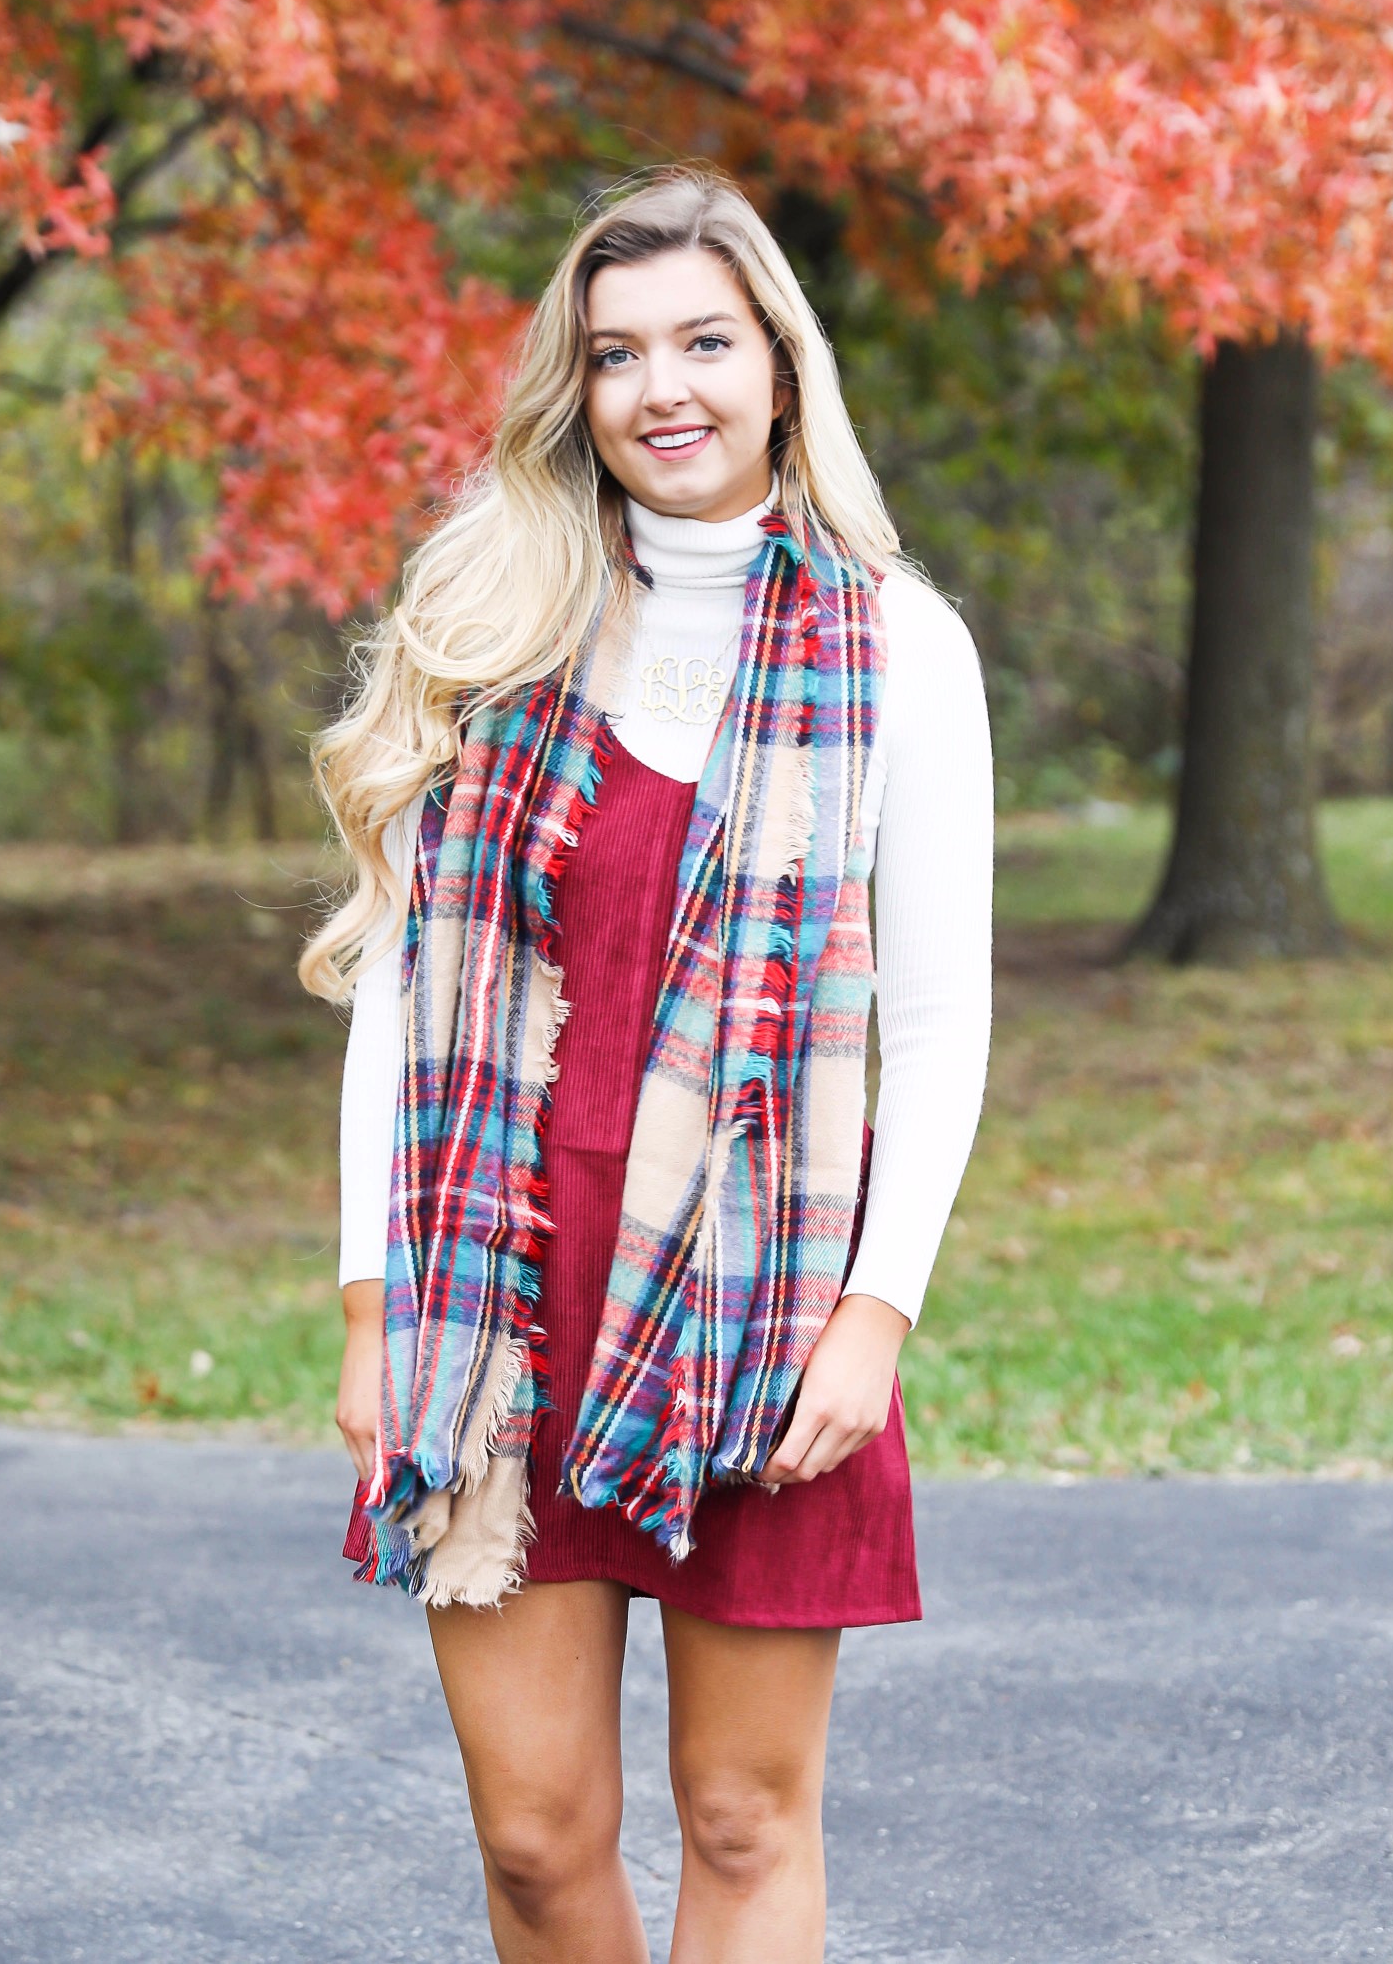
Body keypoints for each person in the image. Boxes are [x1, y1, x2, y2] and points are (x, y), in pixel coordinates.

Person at [300, 167, 993, 1963]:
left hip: (759, 1313)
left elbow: (931, 1025)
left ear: (779, 363)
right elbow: (402, 980)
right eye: (616, 354)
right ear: (575, 389)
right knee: (535, 1839)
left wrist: (877, 1316)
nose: (661, 388)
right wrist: (378, 1305)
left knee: (744, 1820)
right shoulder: (497, 629)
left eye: (703, 339)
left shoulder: (897, 648)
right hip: (500, 1296)